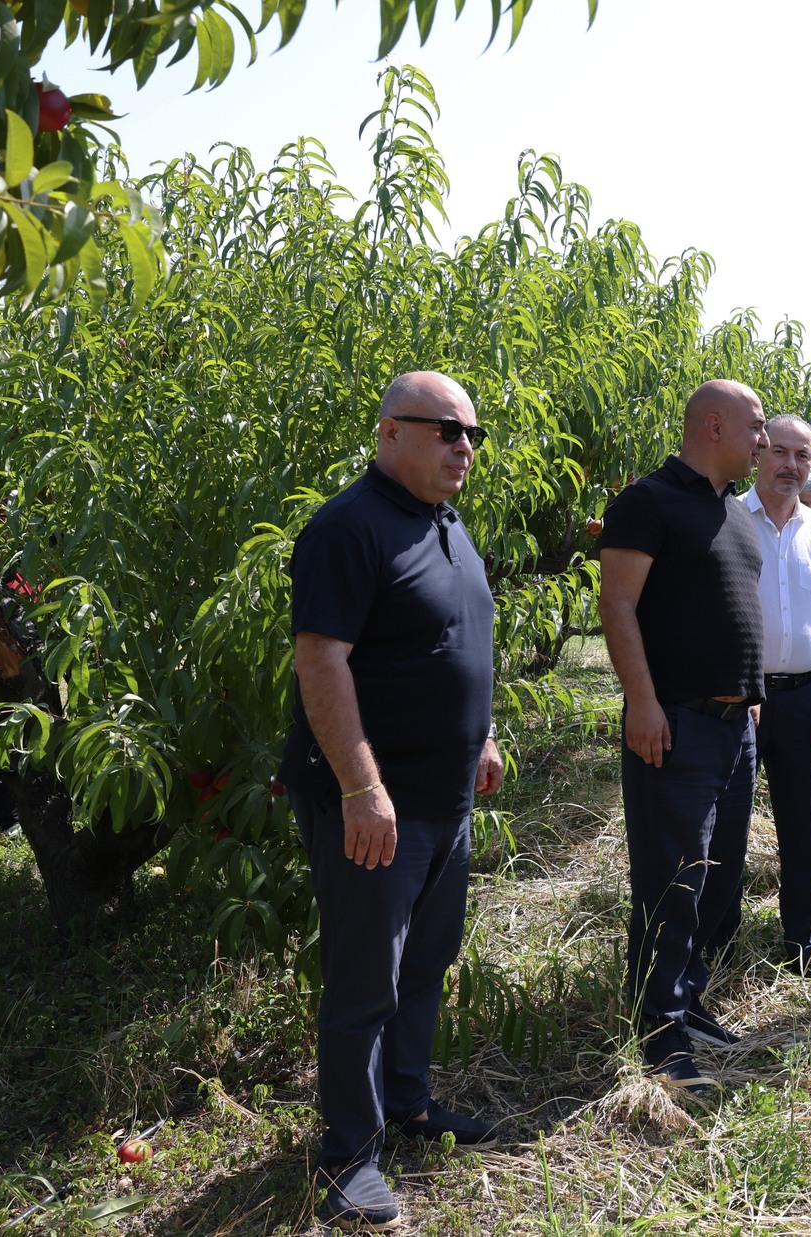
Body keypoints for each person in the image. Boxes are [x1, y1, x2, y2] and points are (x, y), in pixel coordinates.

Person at [282, 372, 508, 1230]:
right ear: (389, 432)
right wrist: (360, 785)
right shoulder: (348, 527)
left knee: (425, 962)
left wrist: (482, 734)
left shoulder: (446, 522)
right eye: (447, 430)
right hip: (377, 805)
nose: (464, 447)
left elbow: (453, 638)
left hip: (445, 799)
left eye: (472, 434)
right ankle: (347, 1155)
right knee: (365, 978)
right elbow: (321, 661)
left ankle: (407, 1105)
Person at [596, 379, 769, 1099]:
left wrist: (748, 699)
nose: (763, 441)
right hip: (676, 723)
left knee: (719, 879)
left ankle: (686, 998)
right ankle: (659, 1030)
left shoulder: (735, 512)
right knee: (672, 881)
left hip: (735, 728)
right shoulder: (648, 501)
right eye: (756, 426)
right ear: (715, 425)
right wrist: (642, 701)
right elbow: (617, 605)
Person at [724, 416, 811, 979]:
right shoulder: (728, 520)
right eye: (780, 452)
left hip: (805, 700)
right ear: (758, 453)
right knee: (726, 827)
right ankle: (719, 946)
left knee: (805, 829)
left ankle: (804, 943)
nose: (791, 465)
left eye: (803, 456)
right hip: (739, 700)